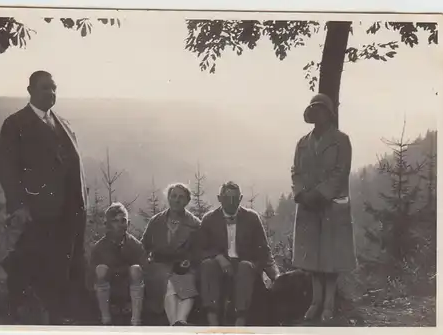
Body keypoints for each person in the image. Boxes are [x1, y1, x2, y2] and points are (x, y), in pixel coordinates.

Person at [0, 70, 88, 324]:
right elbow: (7, 168)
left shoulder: (64, 124)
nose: (51, 93)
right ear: (30, 91)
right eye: (45, 88)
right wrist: (19, 206)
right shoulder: (15, 124)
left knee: (63, 270)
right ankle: (24, 319)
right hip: (36, 214)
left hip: (68, 215)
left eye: (54, 88)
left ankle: (60, 319)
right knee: (31, 269)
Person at [291, 93, 357, 323]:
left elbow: (341, 171)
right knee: (312, 258)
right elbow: (295, 171)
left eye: (321, 110)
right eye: (314, 110)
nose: (317, 114)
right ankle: (315, 301)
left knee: (331, 257)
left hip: (332, 206)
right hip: (308, 206)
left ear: (329, 114)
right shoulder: (302, 143)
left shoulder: (341, 140)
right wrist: (301, 193)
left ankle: (328, 304)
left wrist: (321, 194)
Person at [199, 181, 280, 326]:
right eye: (227, 198)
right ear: (219, 198)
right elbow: (201, 248)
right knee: (207, 265)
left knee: (245, 267)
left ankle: (240, 320)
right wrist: (219, 258)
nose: (231, 202)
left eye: (235, 198)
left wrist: (275, 275)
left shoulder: (252, 218)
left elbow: (263, 249)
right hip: (219, 264)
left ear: (240, 198)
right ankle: (213, 321)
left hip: (244, 264)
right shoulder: (209, 219)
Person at [141, 183, 201, 326]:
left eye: (181, 197)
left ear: (187, 201)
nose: (177, 200)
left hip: (183, 267)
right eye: (173, 196)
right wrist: (146, 263)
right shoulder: (156, 221)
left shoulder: (195, 224)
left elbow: (199, 250)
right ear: (168, 198)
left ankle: (177, 324)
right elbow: (144, 246)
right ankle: (179, 323)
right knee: (167, 282)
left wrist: (189, 260)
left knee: (184, 282)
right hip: (159, 266)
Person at [88, 202, 146, 326]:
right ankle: (105, 318)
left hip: (129, 290)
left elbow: (145, 272)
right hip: (108, 292)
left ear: (128, 224)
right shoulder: (99, 247)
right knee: (100, 269)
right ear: (107, 225)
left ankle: (136, 320)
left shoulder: (135, 245)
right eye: (115, 221)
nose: (120, 225)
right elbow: (91, 276)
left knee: (136, 269)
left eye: (123, 220)